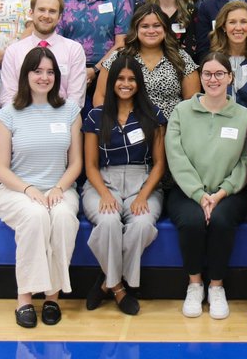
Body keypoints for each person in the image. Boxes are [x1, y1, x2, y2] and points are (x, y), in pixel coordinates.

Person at [0, 47, 83, 328]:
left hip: (59, 188)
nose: (44, 77)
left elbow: (76, 164)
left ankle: (52, 297)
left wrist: (58, 188)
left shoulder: (70, 111)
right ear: (26, 75)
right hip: (16, 190)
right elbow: (0, 168)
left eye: (50, 72)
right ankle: (25, 299)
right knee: (35, 216)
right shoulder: (9, 113)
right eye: (38, 71)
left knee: (64, 218)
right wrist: (29, 189)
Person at [165, 52, 247, 321]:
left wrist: (222, 192)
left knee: (222, 221)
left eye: (219, 74)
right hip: (187, 192)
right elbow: (175, 156)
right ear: (200, 77)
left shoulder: (244, 116)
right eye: (207, 74)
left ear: (230, 77)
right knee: (191, 222)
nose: (212, 79)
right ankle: (195, 284)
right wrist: (200, 195)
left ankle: (216, 286)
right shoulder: (181, 112)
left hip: (228, 193)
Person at [81, 54, 166, 315]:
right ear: (112, 82)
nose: (126, 83)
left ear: (139, 83)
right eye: (120, 78)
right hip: (104, 180)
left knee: (141, 224)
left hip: (143, 180)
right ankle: (118, 288)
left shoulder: (154, 115)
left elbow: (160, 164)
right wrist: (105, 194)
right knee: (108, 221)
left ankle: (105, 282)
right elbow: (91, 165)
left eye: (131, 79)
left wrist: (143, 196)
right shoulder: (96, 116)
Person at [96, 4, 198, 118]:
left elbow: (191, 101)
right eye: (145, 26)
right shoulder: (119, 57)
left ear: (165, 28)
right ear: (136, 29)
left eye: (156, 25)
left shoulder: (181, 58)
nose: (151, 31)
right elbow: (101, 96)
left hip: (171, 128)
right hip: (126, 129)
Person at [59, 0, 132, 97]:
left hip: (108, 72)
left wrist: (95, 70)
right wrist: (77, 72)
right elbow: (56, 41)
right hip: (67, 73)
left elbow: (121, 44)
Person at [0, 0, 89, 108]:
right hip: (22, 120)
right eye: (41, 10)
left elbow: (76, 98)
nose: (46, 16)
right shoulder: (14, 51)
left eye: (52, 11)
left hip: (61, 120)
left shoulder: (74, 50)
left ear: (59, 17)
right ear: (31, 13)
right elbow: (8, 97)